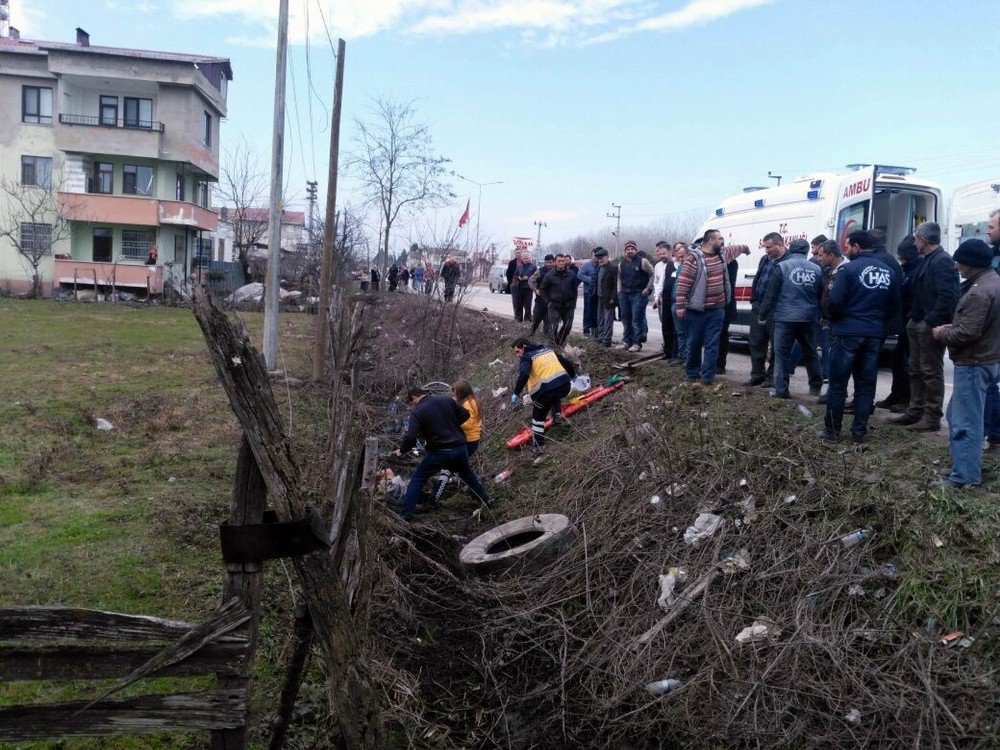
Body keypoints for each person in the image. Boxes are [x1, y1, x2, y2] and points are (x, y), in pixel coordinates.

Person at [930, 239, 1000, 487]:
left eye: (960, 261)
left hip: (974, 362)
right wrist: (955, 326)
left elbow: (967, 333)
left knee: (965, 422)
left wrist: (942, 333)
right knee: (957, 415)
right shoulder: (993, 282)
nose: (957, 266)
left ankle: (965, 478)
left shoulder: (979, 291)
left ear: (971, 263)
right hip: (989, 359)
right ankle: (963, 466)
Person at [820, 230, 900, 442]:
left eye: (848, 246)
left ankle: (832, 432)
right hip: (874, 334)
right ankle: (859, 432)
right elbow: (894, 306)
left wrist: (837, 319)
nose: (846, 250)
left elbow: (835, 301)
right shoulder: (888, 271)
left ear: (856, 247)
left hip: (848, 332)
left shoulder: (848, 269)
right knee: (865, 386)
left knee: (838, 385)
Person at [888, 221, 960, 432]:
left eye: (916, 238)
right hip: (918, 322)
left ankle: (931, 417)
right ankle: (915, 410)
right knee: (915, 369)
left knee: (930, 371)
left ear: (923, 240)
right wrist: (914, 318)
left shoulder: (942, 261)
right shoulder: (928, 260)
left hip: (930, 326)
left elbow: (948, 296)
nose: (914, 242)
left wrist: (929, 321)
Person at [396, 388, 492, 520]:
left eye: (411, 402)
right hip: (460, 447)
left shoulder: (417, 411)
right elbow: (465, 414)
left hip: (440, 451)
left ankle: (405, 515)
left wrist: (402, 450)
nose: (413, 405)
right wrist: (451, 426)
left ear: (414, 397)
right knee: (467, 474)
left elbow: (410, 436)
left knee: (418, 479)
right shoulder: (446, 399)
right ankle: (486, 501)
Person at [675, 230, 749, 385]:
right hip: (696, 310)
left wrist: (746, 248)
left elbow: (736, 249)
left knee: (712, 344)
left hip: (717, 310)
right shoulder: (693, 259)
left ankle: (707, 377)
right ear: (710, 241)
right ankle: (692, 374)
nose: (722, 242)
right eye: (719, 239)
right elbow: (683, 283)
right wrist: (680, 305)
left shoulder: (722, 254)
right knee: (694, 343)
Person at [759, 238, 824, 398]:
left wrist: (762, 315)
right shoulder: (816, 269)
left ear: (790, 249)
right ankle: (815, 386)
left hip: (785, 318)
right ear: (807, 251)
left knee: (781, 354)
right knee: (810, 352)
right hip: (808, 318)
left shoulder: (782, 267)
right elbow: (821, 294)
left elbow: (770, 295)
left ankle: (781, 390)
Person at [511, 337, 575, 452]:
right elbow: (565, 362)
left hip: (547, 392)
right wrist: (573, 375)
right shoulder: (547, 350)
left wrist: (516, 393)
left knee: (537, 418)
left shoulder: (527, 357)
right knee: (554, 394)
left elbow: (524, 374)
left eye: (517, 351)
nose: (517, 355)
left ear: (524, 347)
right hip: (565, 386)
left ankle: (538, 447)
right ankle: (557, 415)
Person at [744, 233, 783, 387]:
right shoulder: (765, 259)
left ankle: (771, 377)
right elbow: (758, 279)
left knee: (775, 345)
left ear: (780, 244)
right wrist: (753, 300)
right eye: (765, 247)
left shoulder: (788, 261)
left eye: (769, 247)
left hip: (775, 309)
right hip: (759, 307)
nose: (766, 251)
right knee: (756, 342)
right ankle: (757, 374)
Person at [815, 239, 848, 403]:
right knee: (833, 358)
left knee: (837, 359)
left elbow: (839, 299)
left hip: (839, 323)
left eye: (821, 255)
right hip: (829, 321)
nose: (817, 258)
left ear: (832, 255)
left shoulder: (844, 271)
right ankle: (834, 392)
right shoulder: (830, 270)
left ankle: (835, 394)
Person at [616, 241, 655, 352]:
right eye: (628, 249)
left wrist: (648, 288)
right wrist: (619, 292)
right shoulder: (621, 264)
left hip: (638, 293)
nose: (630, 251)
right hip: (624, 294)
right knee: (625, 318)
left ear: (635, 250)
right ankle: (626, 341)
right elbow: (619, 278)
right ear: (625, 251)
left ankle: (637, 343)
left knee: (636, 319)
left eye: (632, 249)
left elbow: (652, 274)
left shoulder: (643, 261)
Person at [984, 209, 1000, 450]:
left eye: (991, 226)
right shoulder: (993, 254)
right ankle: (994, 433)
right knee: (990, 383)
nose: (987, 229)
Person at [540, 253, 581, 345]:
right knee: (553, 327)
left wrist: (574, 302)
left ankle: (560, 342)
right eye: (559, 261)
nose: (561, 263)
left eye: (563, 261)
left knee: (568, 326)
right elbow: (542, 289)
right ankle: (552, 346)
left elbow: (575, 288)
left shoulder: (571, 274)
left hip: (568, 305)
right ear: (555, 262)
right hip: (554, 305)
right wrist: (548, 302)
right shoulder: (549, 275)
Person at [652, 241, 678, 359]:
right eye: (660, 254)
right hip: (663, 300)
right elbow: (658, 282)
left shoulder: (675, 264)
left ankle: (675, 352)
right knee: (665, 325)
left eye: (664, 253)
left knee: (675, 327)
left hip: (674, 299)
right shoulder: (658, 266)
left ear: (670, 252)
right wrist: (657, 298)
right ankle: (667, 351)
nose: (662, 256)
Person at [717, 243, 740, 373]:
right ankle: (717, 363)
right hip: (724, 303)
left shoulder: (729, 263)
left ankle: (719, 364)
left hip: (725, 303)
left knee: (721, 334)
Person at [452, 379, 483, 458]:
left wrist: (455, 422)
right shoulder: (472, 400)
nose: (454, 394)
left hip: (470, 440)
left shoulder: (466, 404)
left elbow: (469, 423)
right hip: (474, 438)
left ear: (461, 392)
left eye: (455, 392)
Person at [594, 248, 617, 347]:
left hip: (609, 299)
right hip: (600, 298)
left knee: (608, 321)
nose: (600, 260)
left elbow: (616, 285)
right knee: (600, 319)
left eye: (602, 258)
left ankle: (607, 340)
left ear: (607, 257)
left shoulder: (612, 268)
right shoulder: (599, 268)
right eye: (598, 258)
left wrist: (613, 298)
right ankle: (601, 337)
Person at [529, 254, 556, 337]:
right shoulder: (540, 271)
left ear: (554, 262)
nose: (548, 264)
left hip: (551, 301)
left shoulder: (557, 271)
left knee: (548, 321)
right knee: (536, 319)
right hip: (540, 300)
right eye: (547, 262)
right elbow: (530, 281)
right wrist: (536, 290)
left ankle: (546, 338)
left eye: (550, 262)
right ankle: (531, 334)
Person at [670, 243, 689, 361]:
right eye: (679, 256)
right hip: (675, 303)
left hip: (684, 304)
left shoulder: (690, 267)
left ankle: (687, 356)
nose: (681, 258)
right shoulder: (679, 267)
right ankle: (682, 355)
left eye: (683, 256)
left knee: (686, 332)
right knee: (680, 332)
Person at [576, 250, 599, 337]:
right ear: (591, 256)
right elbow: (579, 275)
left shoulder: (600, 265)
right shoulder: (587, 266)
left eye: (597, 256)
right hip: (588, 292)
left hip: (597, 292)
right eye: (594, 255)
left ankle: (595, 330)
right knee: (588, 311)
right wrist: (591, 280)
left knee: (595, 311)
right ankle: (586, 330)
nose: (596, 257)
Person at [511, 252, 536, 323]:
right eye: (524, 258)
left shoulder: (533, 267)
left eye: (526, 258)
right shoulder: (519, 267)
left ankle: (527, 318)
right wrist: (518, 277)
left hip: (528, 288)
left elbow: (535, 277)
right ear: (522, 258)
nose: (525, 259)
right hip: (520, 287)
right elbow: (515, 275)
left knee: (528, 304)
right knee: (519, 303)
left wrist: (528, 278)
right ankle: (519, 318)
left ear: (529, 258)